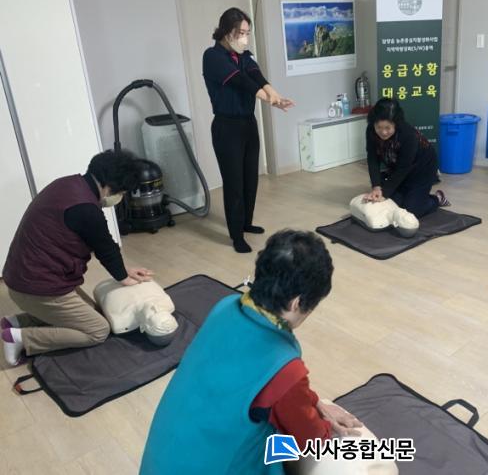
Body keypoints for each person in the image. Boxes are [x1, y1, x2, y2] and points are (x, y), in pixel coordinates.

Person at [140, 230, 361, 474]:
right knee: (280, 444)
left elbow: (257, 385)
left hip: (161, 460)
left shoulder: (225, 306)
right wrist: (322, 424)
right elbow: (311, 439)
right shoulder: (283, 367)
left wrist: (314, 402)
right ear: (296, 303)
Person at [1, 150, 153, 366]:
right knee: (98, 330)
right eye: (122, 192)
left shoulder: (67, 184)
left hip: (21, 277)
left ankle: (16, 322)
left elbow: (103, 246)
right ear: (110, 187)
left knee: (94, 312)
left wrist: (123, 270)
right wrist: (123, 277)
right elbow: (106, 248)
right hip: (37, 287)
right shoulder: (86, 209)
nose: (120, 198)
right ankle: (20, 339)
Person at [203, 7, 294, 254]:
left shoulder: (244, 55)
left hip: (248, 123)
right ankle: (236, 236)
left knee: (250, 178)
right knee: (234, 182)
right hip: (227, 126)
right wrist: (269, 100)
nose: (245, 38)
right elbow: (241, 82)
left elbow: (256, 76)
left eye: (247, 32)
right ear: (226, 32)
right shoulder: (212, 57)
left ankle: (246, 223)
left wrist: (275, 96)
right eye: (241, 33)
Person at [364, 98, 450, 218]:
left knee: (410, 211)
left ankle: (437, 198)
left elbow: (403, 168)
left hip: (422, 169)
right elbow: (372, 159)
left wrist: (384, 192)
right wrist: (376, 187)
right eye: (379, 127)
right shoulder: (371, 130)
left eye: (388, 128)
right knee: (394, 203)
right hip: (398, 168)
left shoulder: (408, 135)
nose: (383, 132)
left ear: (396, 124)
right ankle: (412, 195)